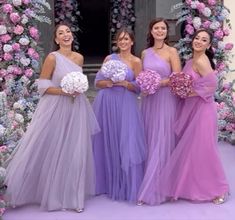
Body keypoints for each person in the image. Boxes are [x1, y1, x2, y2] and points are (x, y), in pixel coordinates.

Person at [4, 24, 99, 212]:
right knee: (48, 147)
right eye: (61, 33)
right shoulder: (52, 57)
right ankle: (25, 191)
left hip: (76, 108)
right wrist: (65, 91)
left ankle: (74, 198)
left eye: (68, 32)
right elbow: (43, 85)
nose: (65, 35)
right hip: (55, 106)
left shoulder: (79, 58)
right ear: (56, 39)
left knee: (74, 150)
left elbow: (79, 81)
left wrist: (78, 89)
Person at [145, 29, 229, 205]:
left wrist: (186, 92)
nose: (199, 41)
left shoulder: (202, 61)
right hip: (192, 110)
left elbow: (211, 87)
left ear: (208, 45)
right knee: (193, 150)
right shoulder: (191, 61)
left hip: (203, 111)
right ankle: (192, 186)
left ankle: (218, 189)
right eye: (197, 38)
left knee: (205, 150)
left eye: (204, 39)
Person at [92, 27, 146, 202]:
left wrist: (125, 83)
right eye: (120, 40)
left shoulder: (136, 61)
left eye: (126, 39)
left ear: (132, 41)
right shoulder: (110, 59)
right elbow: (97, 82)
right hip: (106, 102)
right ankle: (108, 183)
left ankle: (127, 183)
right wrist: (108, 82)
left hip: (126, 104)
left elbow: (139, 87)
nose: (123, 42)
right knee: (108, 139)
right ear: (117, 42)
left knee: (126, 141)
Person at [137, 18, 181, 205]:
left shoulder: (172, 52)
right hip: (150, 101)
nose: (160, 31)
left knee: (163, 138)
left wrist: (158, 82)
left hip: (166, 99)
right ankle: (149, 181)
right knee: (150, 137)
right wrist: (145, 85)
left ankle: (165, 186)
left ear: (167, 32)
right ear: (151, 31)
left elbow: (177, 77)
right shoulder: (145, 53)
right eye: (156, 28)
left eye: (163, 28)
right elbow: (140, 77)